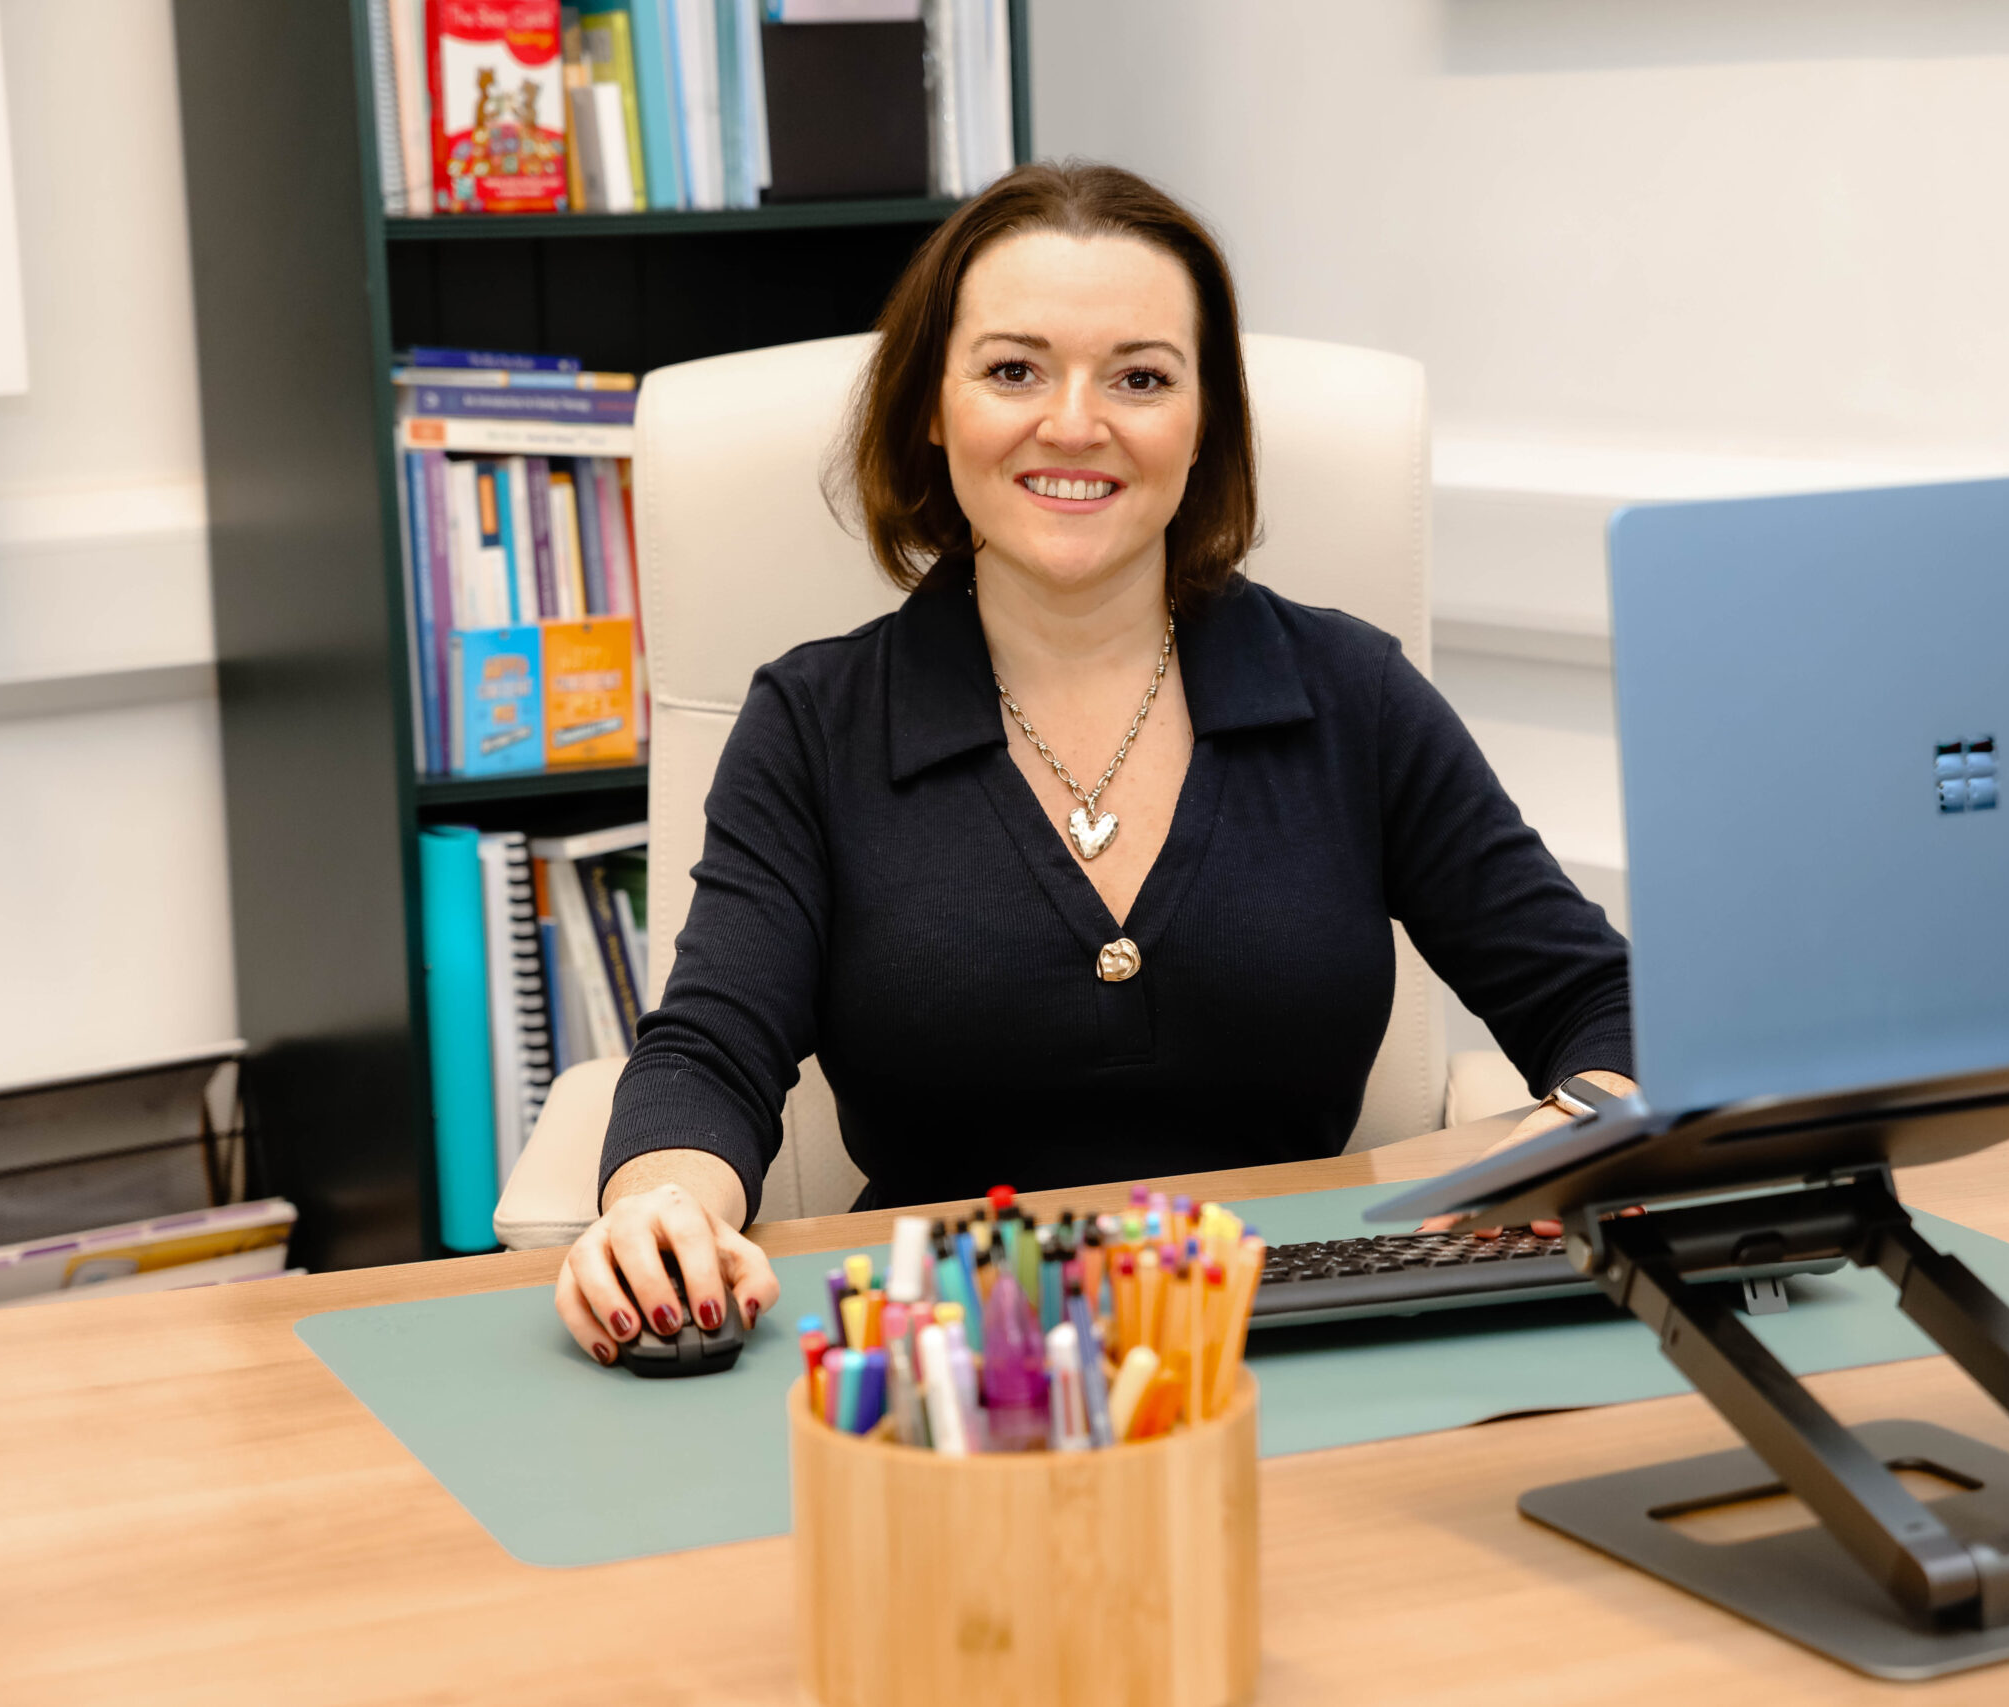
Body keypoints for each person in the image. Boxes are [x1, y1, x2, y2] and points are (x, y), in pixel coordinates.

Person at [553, 162, 1634, 1365]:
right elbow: (711, 1049)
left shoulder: (1349, 693)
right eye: (1014, 369)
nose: (1075, 423)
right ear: (932, 401)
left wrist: (1573, 1132)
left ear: (1202, 417)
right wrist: (662, 1208)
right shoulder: (816, 720)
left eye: (1140, 377)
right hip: (955, 1365)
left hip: (1318, 1333)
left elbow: (1595, 1000)